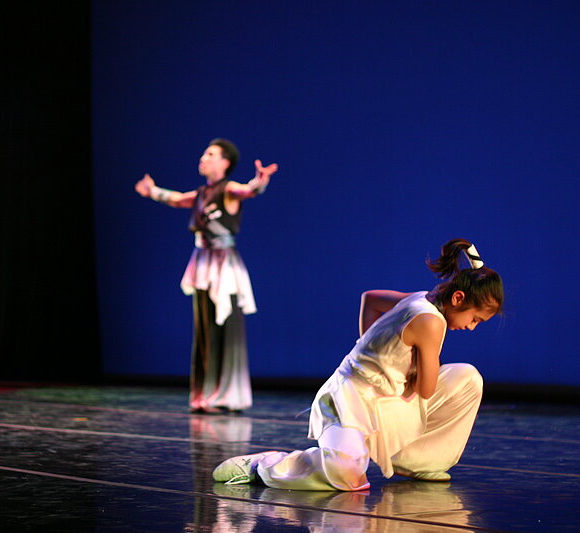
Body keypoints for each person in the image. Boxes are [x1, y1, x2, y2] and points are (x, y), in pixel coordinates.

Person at [212, 238, 503, 490]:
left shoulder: (420, 299)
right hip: (350, 398)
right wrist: (379, 355)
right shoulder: (430, 321)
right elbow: (426, 390)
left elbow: (371, 299)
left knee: (468, 378)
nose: (472, 327)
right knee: (346, 475)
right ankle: (262, 466)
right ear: (458, 298)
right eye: (475, 319)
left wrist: (375, 347)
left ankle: (417, 461)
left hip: (388, 395)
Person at [135, 139, 278, 413]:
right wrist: (152, 191)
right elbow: (177, 199)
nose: (203, 157)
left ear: (225, 162)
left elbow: (249, 190)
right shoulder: (201, 193)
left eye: (210, 154)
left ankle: (226, 395)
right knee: (205, 331)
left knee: (223, 329)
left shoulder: (229, 190)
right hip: (202, 264)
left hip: (224, 268)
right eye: (204, 153)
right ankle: (205, 395)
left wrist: (260, 182)